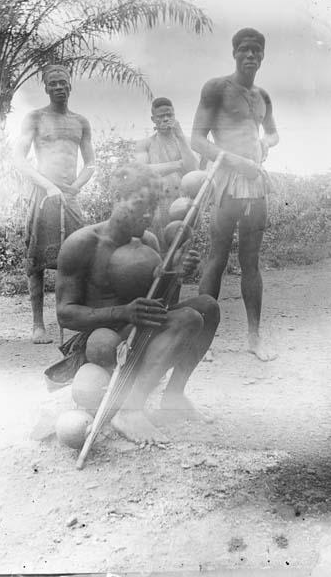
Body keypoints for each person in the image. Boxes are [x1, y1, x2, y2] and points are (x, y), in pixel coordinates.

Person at [53, 163, 220, 444]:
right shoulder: (81, 244)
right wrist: (124, 312)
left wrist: (176, 274)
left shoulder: (148, 241)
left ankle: (174, 397)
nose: (148, 214)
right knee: (188, 318)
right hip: (102, 341)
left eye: (153, 206)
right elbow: (65, 315)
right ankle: (129, 410)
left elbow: (162, 304)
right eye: (140, 204)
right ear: (117, 199)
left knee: (206, 307)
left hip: (141, 330)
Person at [191, 28, 279, 361]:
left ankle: (254, 338)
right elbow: (197, 141)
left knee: (251, 262)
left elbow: (273, 134)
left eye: (256, 50)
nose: (250, 55)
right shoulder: (216, 88)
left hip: (255, 183)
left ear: (263, 56)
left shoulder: (262, 96)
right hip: (226, 180)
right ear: (234, 53)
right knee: (217, 256)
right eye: (244, 49)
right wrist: (235, 159)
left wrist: (262, 144)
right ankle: (201, 336)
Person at [14, 64, 95, 344]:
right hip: (43, 195)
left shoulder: (81, 121)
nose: (59, 87)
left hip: (69, 197)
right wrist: (47, 185)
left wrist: (77, 185)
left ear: (70, 86)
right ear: (46, 88)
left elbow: (91, 162)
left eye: (63, 82)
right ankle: (38, 325)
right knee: (37, 261)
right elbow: (19, 159)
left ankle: (75, 318)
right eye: (53, 83)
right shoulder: (35, 117)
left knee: (78, 256)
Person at [134, 97, 199, 251]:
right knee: (159, 247)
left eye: (169, 115)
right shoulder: (145, 144)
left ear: (174, 115)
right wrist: (177, 164)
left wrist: (181, 137)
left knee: (184, 248)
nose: (166, 119)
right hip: (157, 203)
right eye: (161, 116)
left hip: (183, 201)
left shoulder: (187, 141)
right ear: (153, 119)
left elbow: (193, 168)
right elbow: (142, 171)